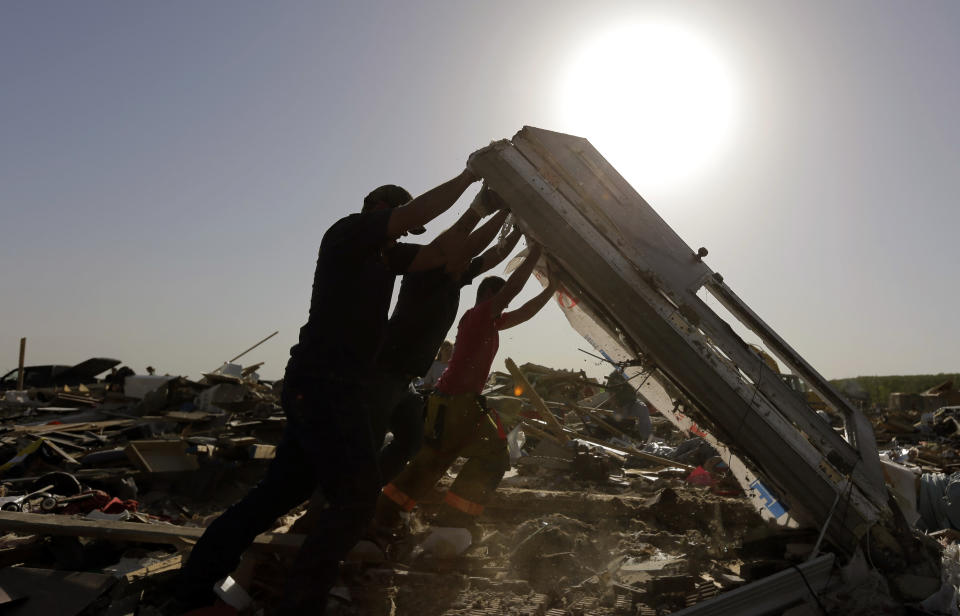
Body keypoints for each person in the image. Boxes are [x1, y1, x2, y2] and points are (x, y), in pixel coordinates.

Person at [174, 168, 479, 614]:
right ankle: (302, 603)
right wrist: (470, 176)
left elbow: (438, 253)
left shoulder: (382, 256)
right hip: (326, 385)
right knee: (356, 496)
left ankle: (192, 591)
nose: (403, 237)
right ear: (383, 211)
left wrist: (482, 211)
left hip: (325, 384)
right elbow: (414, 215)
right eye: (400, 227)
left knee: (279, 494)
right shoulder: (350, 233)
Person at [375, 243, 557, 533]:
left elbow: (525, 312)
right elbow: (513, 288)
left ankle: (387, 516)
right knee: (486, 457)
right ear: (488, 297)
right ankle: (443, 523)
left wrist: (552, 288)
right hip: (454, 403)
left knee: (434, 462)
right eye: (501, 301)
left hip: (456, 403)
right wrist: (536, 249)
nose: (505, 307)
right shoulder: (479, 316)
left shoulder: (490, 322)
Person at [605, 369, 652, 442]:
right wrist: (615, 403)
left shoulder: (632, 374)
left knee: (642, 408)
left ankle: (646, 438)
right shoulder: (615, 375)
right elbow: (610, 392)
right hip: (621, 405)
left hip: (632, 402)